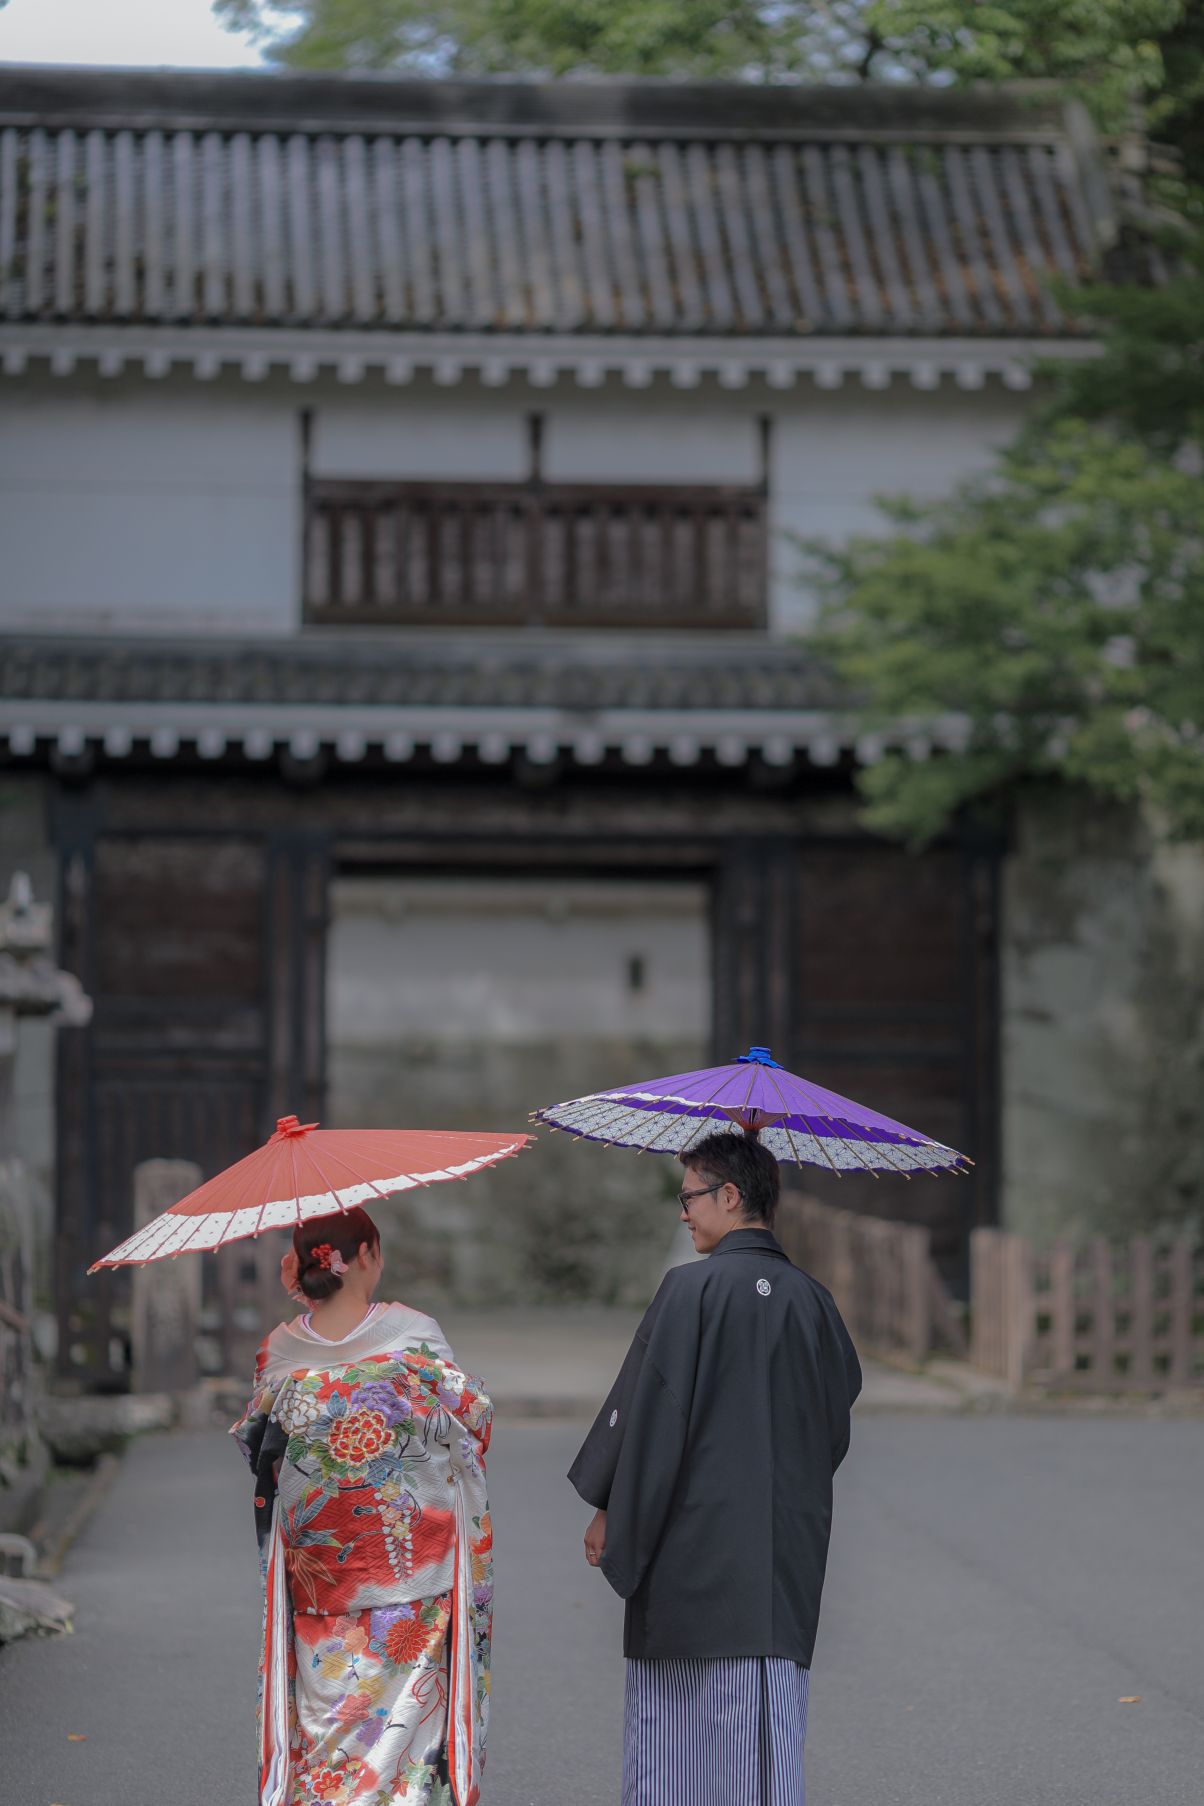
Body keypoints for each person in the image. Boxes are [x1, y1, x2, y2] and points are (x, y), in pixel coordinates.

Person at [569, 1132, 862, 1806]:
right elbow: (833, 1422)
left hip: (690, 1547)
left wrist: (611, 1504)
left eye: (690, 1197)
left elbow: (646, 1415)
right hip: (779, 1549)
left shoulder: (689, 1291)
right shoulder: (812, 1301)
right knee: (765, 1731)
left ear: (730, 1196)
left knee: (674, 1734)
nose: (683, 1213)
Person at [231, 1208, 493, 1806]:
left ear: (303, 1268)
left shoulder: (278, 1349)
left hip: (324, 1577)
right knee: (408, 1731)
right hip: (414, 1570)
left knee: (330, 1719)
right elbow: (471, 1419)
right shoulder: (412, 1331)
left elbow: (263, 1454)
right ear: (368, 1252)